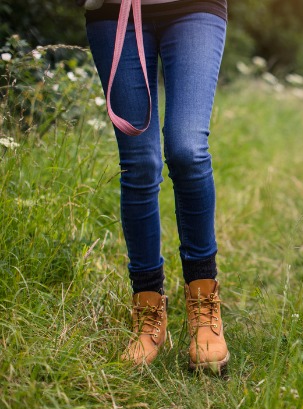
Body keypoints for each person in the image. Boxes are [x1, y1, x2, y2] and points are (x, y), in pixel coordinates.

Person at [83, 0, 229, 373]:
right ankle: (147, 307)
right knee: (140, 164)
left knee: (188, 149)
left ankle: (203, 303)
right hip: (115, 12)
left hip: (194, 8)